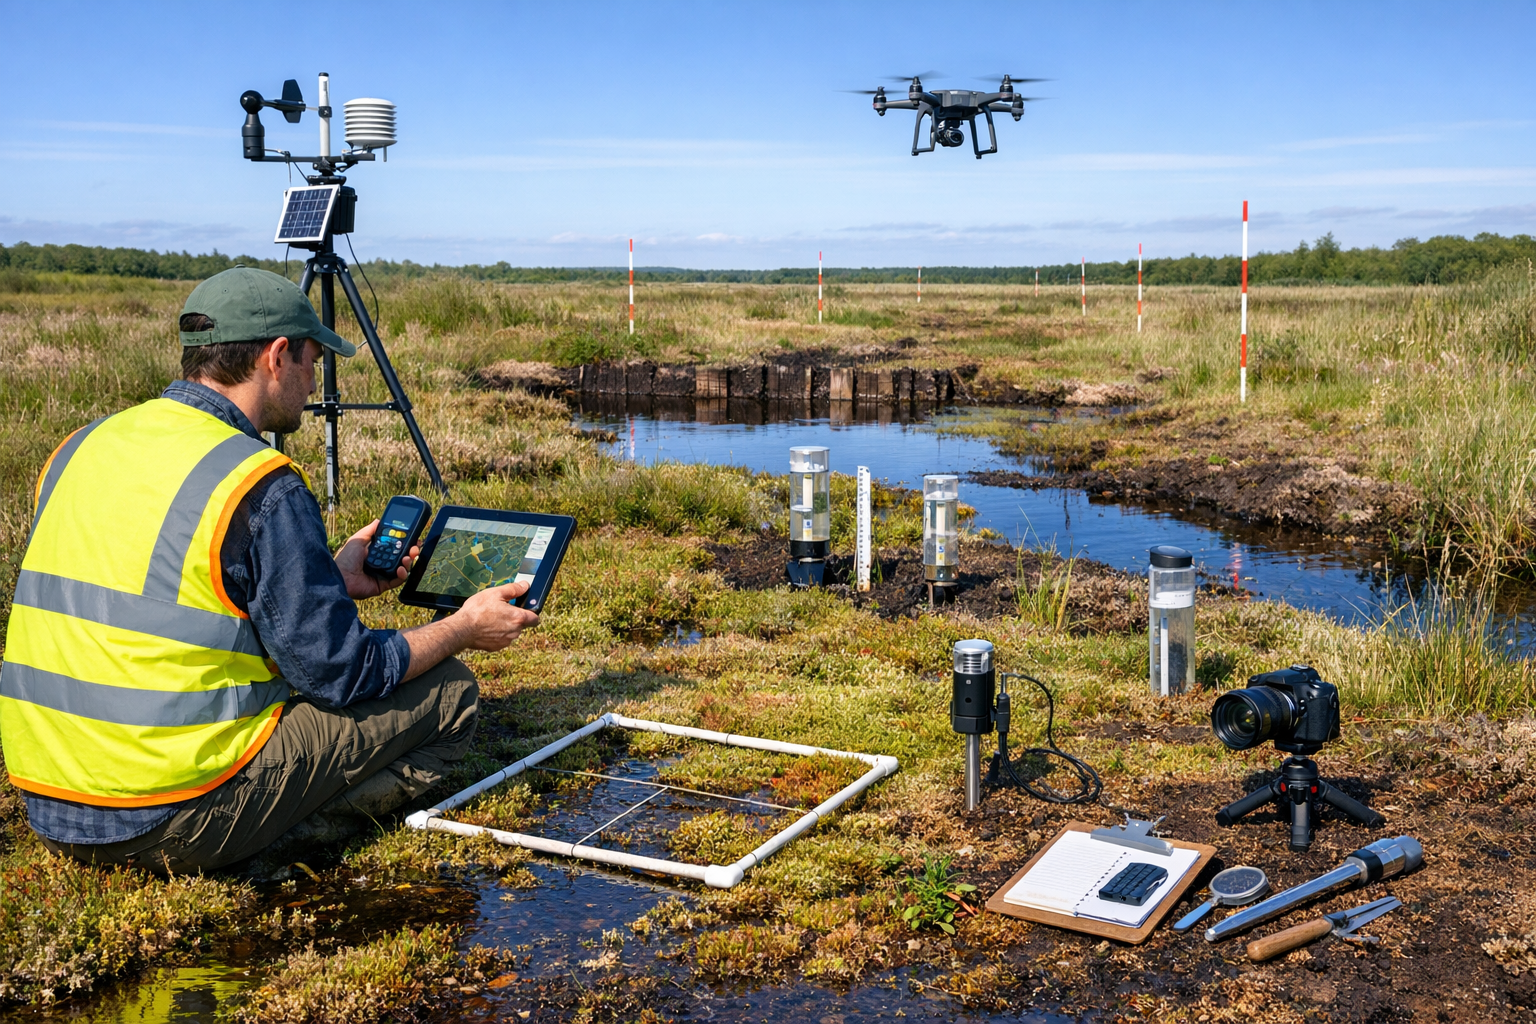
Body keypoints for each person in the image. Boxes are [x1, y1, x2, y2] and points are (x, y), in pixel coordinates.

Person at [0, 266, 538, 872]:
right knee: (451, 693)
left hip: (47, 798)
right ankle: (261, 851)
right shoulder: (258, 482)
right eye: (313, 360)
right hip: (163, 814)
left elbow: (162, 593)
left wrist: (328, 581)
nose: (314, 381)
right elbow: (342, 674)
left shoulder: (80, 446)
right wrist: (464, 627)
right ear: (278, 356)